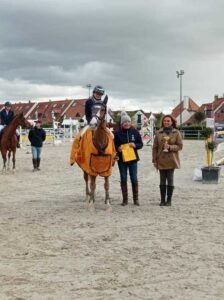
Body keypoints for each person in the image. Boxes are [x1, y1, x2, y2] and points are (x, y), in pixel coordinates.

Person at [152, 115, 183, 206]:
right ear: (162, 122)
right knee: (162, 180)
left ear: (172, 122)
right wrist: (154, 160)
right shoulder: (158, 132)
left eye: (168, 121)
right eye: (165, 121)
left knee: (170, 179)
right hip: (160, 158)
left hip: (171, 159)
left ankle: (169, 200)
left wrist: (170, 147)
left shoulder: (176, 133)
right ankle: (162, 200)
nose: (166, 122)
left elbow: (180, 146)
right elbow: (155, 147)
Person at [114, 112, 143, 206]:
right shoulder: (117, 133)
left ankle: (136, 199)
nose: (127, 123)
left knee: (134, 178)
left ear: (130, 123)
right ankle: (125, 200)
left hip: (133, 159)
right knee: (123, 178)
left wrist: (135, 145)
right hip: (122, 160)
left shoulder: (135, 132)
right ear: (122, 123)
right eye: (125, 122)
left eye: (128, 122)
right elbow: (114, 146)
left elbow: (140, 144)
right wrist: (117, 148)